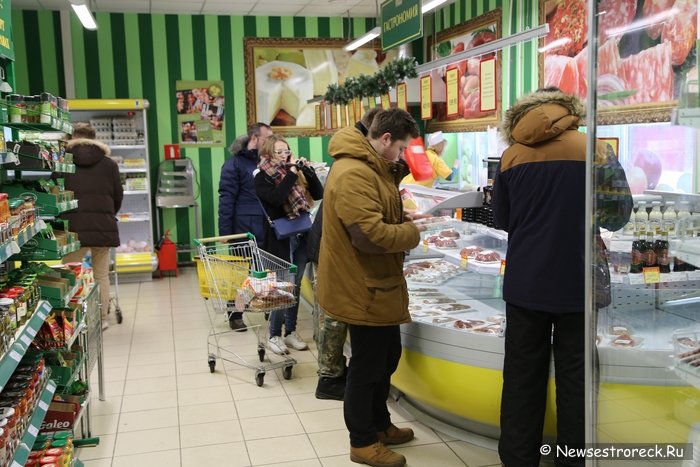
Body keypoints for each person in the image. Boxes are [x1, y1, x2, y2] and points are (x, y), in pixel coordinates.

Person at [492, 88, 632, 467]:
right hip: (579, 282)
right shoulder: (596, 150)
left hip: (525, 283)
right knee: (576, 379)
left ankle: (519, 460)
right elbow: (618, 215)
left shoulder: (511, 156)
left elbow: (502, 220)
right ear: (571, 112)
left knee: (521, 377)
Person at [317, 108, 423, 467]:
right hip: (360, 285)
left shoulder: (373, 167)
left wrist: (400, 217)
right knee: (366, 366)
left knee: (386, 356)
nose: (403, 156)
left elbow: (376, 217)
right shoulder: (353, 172)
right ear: (385, 139)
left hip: (377, 282)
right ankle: (362, 442)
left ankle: (380, 424)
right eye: (401, 148)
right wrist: (411, 232)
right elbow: (369, 237)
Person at [309, 107, 385, 401]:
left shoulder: (350, 154)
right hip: (328, 248)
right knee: (332, 317)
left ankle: (332, 373)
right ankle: (328, 379)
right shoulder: (354, 161)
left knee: (332, 315)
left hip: (328, 244)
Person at [255, 135, 324, 355]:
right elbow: (276, 199)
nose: (285, 155)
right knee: (283, 288)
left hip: (302, 234)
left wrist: (307, 171)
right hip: (280, 239)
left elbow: (319, 193)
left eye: (287, 151)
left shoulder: (294, 171)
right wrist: (292, 174)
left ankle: (290, 332)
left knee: (294, 287)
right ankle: (274, 334)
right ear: (268, 154)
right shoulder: (261, 176)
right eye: (280, 152)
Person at [61, 122, 124, 331]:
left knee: (71, 273)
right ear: (95, 138)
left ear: (72, 138)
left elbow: (56, 194)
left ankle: (73, 319)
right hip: (101, 226)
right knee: (101, 275)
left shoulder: (63, 161)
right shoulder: (109, 164)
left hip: (72, 228)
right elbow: (117, 196)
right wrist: (107, 215)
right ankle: (102, 318)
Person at [218, 122, 273, 330]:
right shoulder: (234, 164)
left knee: (265, 273)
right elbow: (226, 201)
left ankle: (269, 310)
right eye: (268, 138)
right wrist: (225, 233)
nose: (271, 142)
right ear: (254, 139)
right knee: (239, 275)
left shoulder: (266, 163)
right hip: (243, 229)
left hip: (266, 226)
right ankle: (235, 313)